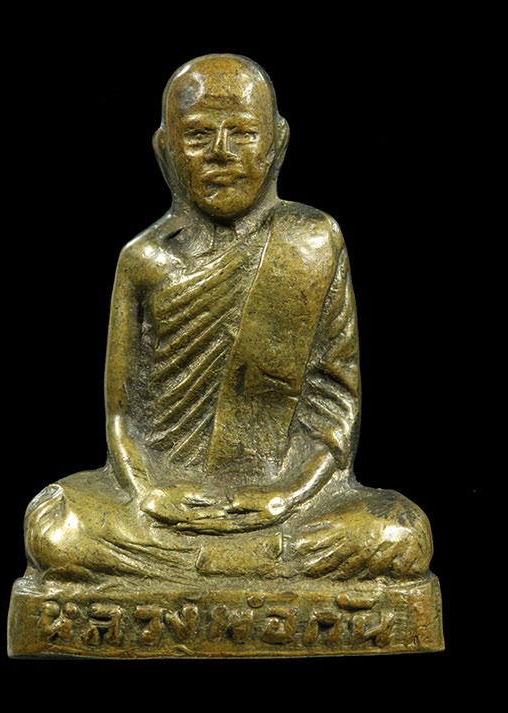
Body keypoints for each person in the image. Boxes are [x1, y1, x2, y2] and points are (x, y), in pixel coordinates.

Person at [24, 54, 433, 585]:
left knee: (399, 530)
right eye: (198, 136)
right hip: (168, 510)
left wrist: (288, 495)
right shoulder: (144, 260)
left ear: (277, 142)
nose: (221, 152)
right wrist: (149, 493)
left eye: (242, 133)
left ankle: (200, 571)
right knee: (57, 524)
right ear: (165, 150)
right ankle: (244, 568)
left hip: (283, 506)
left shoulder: (312, 242)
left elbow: (335, 407)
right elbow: (122, 417)